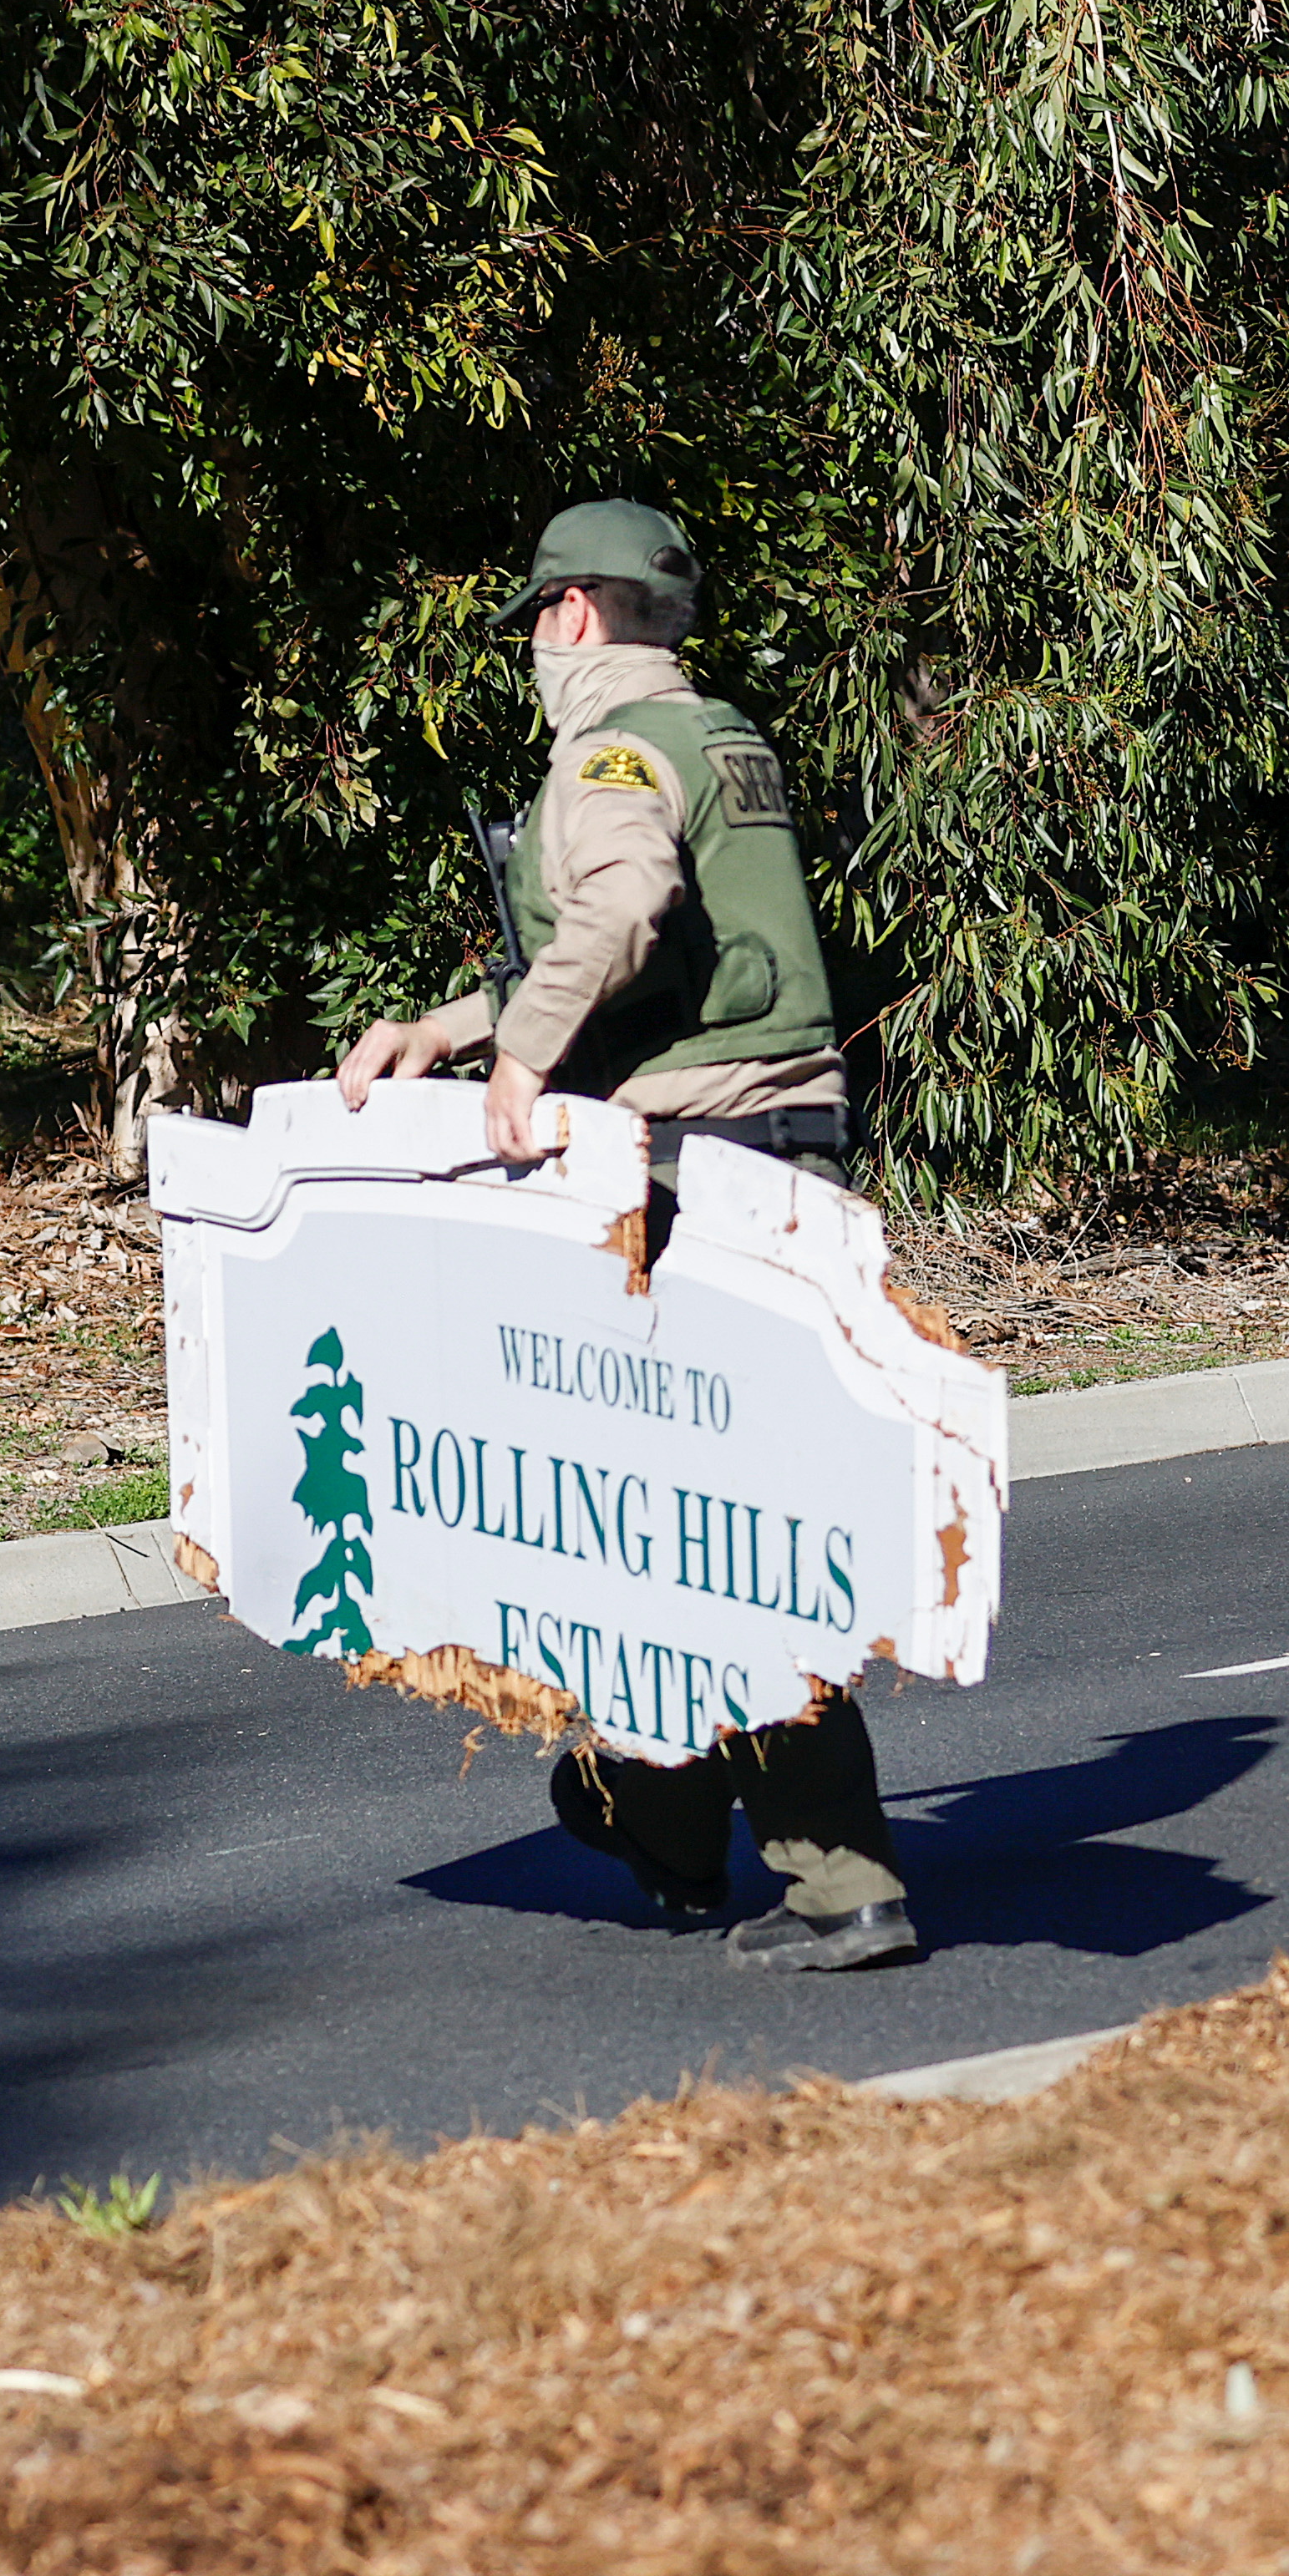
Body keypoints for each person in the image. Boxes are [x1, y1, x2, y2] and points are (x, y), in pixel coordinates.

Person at [332, 498, 920, 1974]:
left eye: (536, 617)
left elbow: (629, 908)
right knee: (688, 1521)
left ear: (573, 614)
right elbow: (658, 953)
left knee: (703, 1538)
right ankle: (658, 1819)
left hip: (688, 1159)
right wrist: (453, 1029)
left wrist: (519, 1063)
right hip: (779, 1138)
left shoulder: (604, 756)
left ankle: (819, 1871)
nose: (535, 644)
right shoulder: (721, 737)